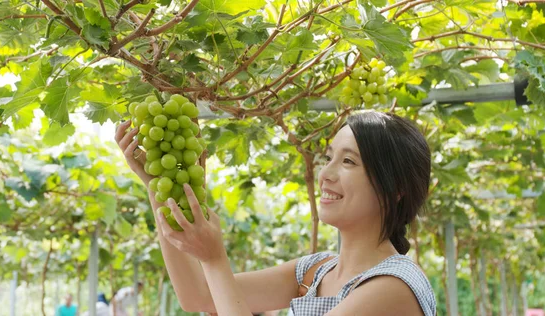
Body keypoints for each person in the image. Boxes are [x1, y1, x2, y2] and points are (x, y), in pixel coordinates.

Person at [115, 110, 437, 315]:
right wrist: (157, 187)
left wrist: (215, 258)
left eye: (349, 161)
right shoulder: (316, 270)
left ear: (395, 190)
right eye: (329, 157)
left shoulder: (393, 287)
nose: (325, 174)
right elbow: (199, 296)